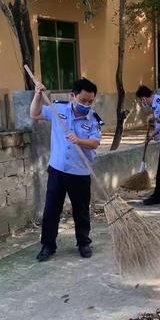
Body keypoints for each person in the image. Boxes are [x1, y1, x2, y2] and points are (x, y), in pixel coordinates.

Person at [30, 78, 101, 262]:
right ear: (73, 96)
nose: (86, 104)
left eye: (90, 101)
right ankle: (48, 245)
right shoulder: (57, 109)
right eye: (83, 100)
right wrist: (38, 95)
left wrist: (79, 140)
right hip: (58, 171)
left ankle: (83, 243)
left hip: (80, 173)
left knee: (81, 211)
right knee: (51, 210)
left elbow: (95, 143)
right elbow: (35, 114)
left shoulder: (93, 119)